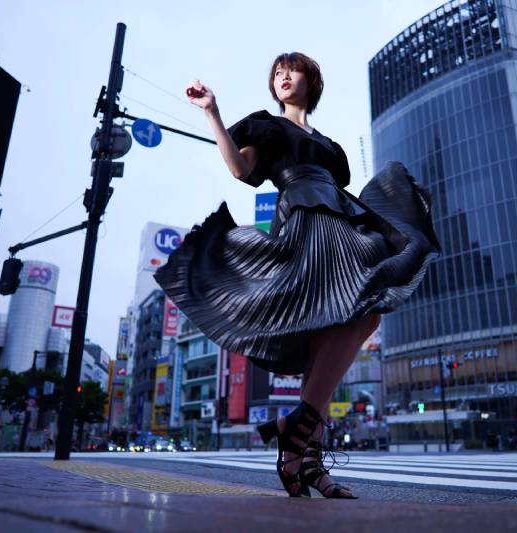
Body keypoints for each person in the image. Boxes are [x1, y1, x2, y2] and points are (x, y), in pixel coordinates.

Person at [156, 52, 439, 498]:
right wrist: (212, 111)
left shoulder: (331, 146)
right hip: (304, 222)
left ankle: (304, 456)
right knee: (355, 316)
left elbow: (340, 185)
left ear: (312, 79)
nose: (283, 76)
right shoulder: (266, 126)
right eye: (276, 72)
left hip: (340, 222)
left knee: (354, 320)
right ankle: (300, 438)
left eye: (292, 69)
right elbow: (239, 169)